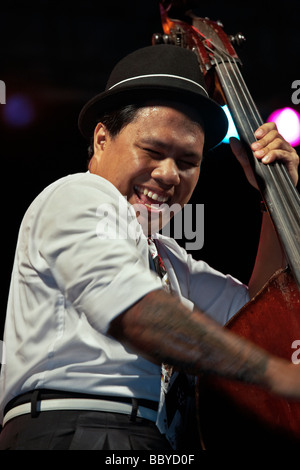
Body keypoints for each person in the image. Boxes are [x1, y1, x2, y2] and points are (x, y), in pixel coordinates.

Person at [0, 44, 299, 451]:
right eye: (154, 152)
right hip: (80, 429)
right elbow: (138, 313)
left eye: (188, 162)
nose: (169, 175)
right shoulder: (78, 196)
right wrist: (281, 377)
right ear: (102, 139)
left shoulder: (169, 259)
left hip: (151, 440)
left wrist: (271, 197)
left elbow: (259, 315)